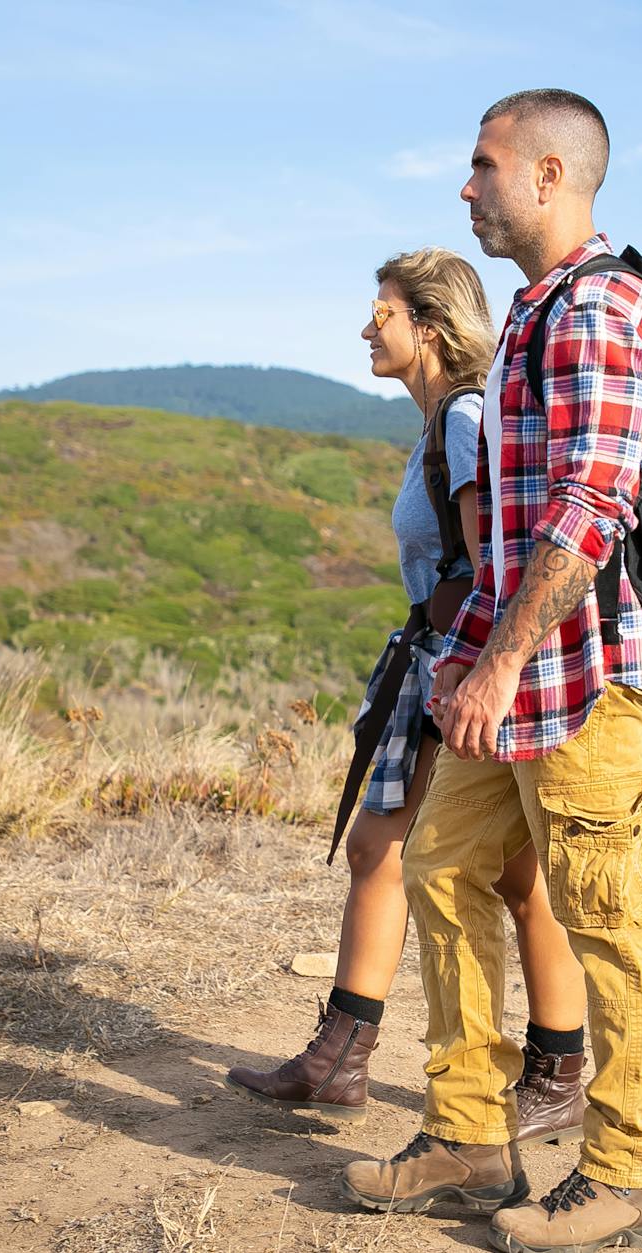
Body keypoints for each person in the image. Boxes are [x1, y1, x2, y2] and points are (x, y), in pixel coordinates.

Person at [338, 91, 642, 1253]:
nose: (463, 185)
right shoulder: (538, 309)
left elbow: (587, 512)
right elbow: (513, 524)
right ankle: (466, 1135)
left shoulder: (598, 307)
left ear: (547, 175)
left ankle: (631, 1172)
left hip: (581, 677)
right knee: (438, 866)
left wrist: (496, 664)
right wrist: (465, 667)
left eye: (480, 165)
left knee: (607, 917)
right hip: (509, 668)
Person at [226, 247, 589, 1150]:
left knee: (422, 855)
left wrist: (470, 671)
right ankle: (529, 1061)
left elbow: (486, 564)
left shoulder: (463, 422)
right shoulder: (444, 423)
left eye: (381, 312)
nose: (366, 327)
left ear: (427, 324)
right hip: (438, 660)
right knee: (490, 868)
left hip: (457, 665)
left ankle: (510, 1063)